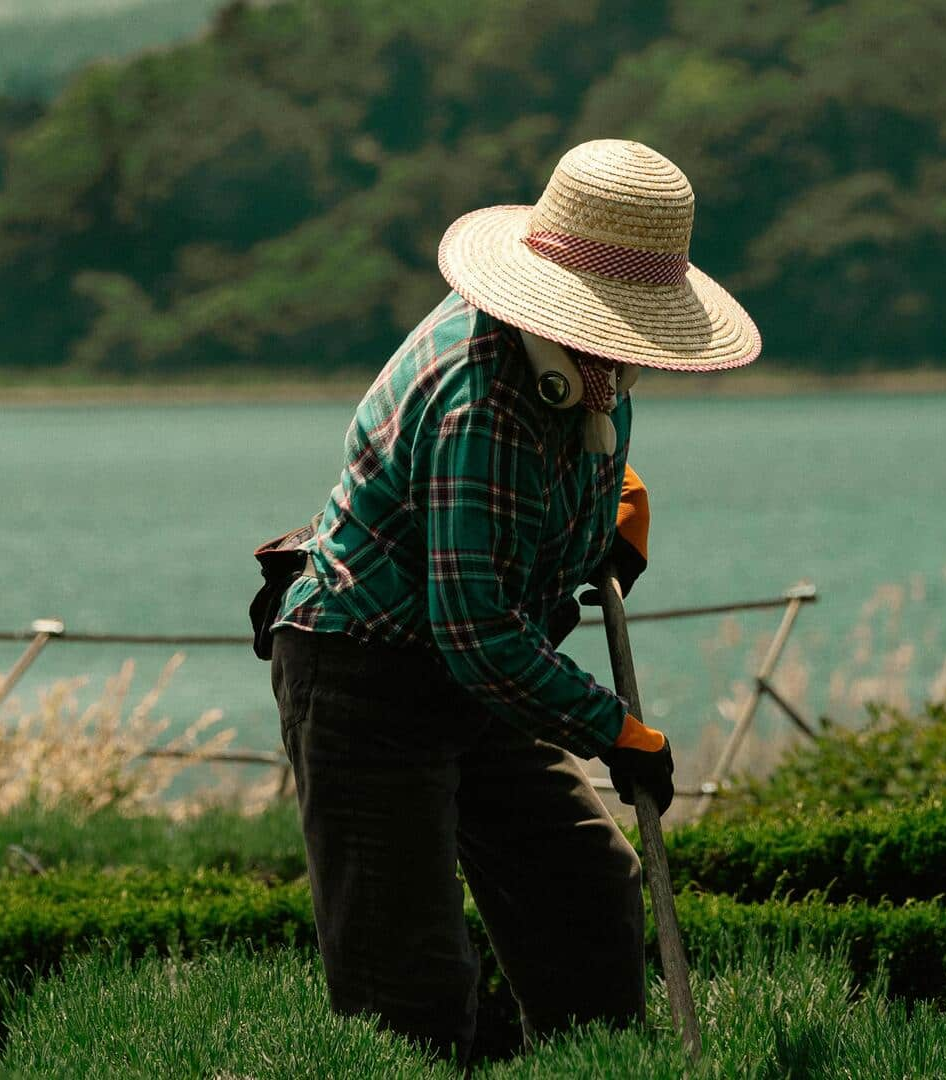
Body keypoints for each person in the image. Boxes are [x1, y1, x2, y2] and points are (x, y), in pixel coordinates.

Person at [261, 139, 761, 1066]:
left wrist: (600, 521)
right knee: (406, 985)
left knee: (583, 887)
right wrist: (612, 729)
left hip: (478, 666)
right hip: (368, 672)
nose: (627, 348)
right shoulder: (482, 395)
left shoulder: (590, 367)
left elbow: (543, 508)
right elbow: (477, 632)